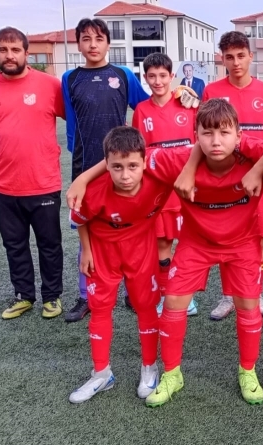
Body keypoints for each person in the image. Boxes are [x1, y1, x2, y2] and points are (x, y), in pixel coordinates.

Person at [68, 99, 263, 407]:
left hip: (241, 243)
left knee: (248, 306)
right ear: (196, 136)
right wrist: (83, 177)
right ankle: (172, 374)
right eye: (207, 134)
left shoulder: (257, 154)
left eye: (224, 133)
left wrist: (258, 169)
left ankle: (248, 371)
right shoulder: (175, 159)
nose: (216, 141)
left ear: (239, 135)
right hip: (196, 243)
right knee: (174, 303)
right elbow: (129, 157)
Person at [67, 127, 168, 404]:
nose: (125, 175)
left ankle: (149, 367)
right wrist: (86, 250)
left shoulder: (160, 178)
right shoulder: (93, 191)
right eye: (117, 167)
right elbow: (80, 219)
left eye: (132, 166)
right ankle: (101, 374)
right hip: (103, 250)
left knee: (146, 306)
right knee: (100, 307)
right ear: (107, 166)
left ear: (145, 162)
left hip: (141, 248)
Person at [0, 27, 66, 320]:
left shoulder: (50, 85)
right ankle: (23, 296)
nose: (9, 55)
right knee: (14, 245)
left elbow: (75, 117)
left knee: (49, 244)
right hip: (3, 187)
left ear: (26, 53)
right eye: (3, 50)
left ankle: (52, 297)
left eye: (15, 50)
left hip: (43, 183)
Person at [61, 18, 149, 322]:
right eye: (86, 39)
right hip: (85, 167)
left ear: (108, 43)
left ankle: (133, 292)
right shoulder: (70, 78)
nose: (93, 45)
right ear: (78, 44)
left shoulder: (123, 75)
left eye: (99, 39)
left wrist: (179, 96)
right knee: (86, 230)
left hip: (122, 168)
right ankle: (85, 295)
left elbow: (146, 107)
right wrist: (79, 165)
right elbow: (71, 123)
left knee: (129, 229)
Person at [200, 31, 263, 320]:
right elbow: (202, 134)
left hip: (259, 178)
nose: (236, 62)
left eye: (241, 56)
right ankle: (228, 295)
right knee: (225, 236)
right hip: (224, 178)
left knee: (260, 236)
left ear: (250, 56)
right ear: (222, 60)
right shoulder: (212, 91)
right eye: (229, 57)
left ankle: (256, 293)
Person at [132, 52, 200, 317]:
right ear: (145, 78)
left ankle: (186, 298)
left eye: (163, 75)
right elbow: (138, 152)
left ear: (172, 76)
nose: (158, 81)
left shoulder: (187, 103)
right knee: (163, 244)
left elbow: (202, 141)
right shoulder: (141, 110)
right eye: (152, 76)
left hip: (186, 186)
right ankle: (165, 295)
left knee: (188, 244)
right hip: (159, 189)